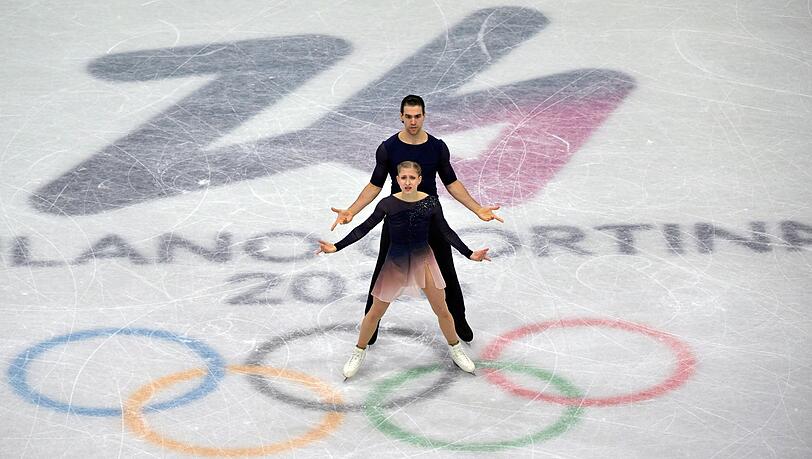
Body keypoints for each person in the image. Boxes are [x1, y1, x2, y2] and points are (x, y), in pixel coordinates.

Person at [330, 94, 502, 345]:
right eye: (408, 116)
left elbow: (451, 183)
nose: (413, 121)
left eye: (417, 116)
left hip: (430, 217)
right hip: (397, 218)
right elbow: (375, 184)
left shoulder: (437, 147)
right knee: (381, 271)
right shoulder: (388, 148)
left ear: (424, 116)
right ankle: (372, 324)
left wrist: (477, 209)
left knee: (446, 271)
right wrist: (352, 210)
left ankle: (459, 319)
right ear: (401, 117)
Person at [317, 161, 490, 379]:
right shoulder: (387, 204)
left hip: (423, 261)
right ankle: (358, 352)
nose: (408, 182)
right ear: (397, 180)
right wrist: (336, 246)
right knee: (374, 313)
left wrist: (469, 253)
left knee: (443, 310)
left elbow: (446, 231)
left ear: (419, 180)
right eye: (403, 178)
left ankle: (456, 349)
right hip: (396, 262)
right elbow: (364, 228)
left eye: (412, 178)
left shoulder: (431, 203)